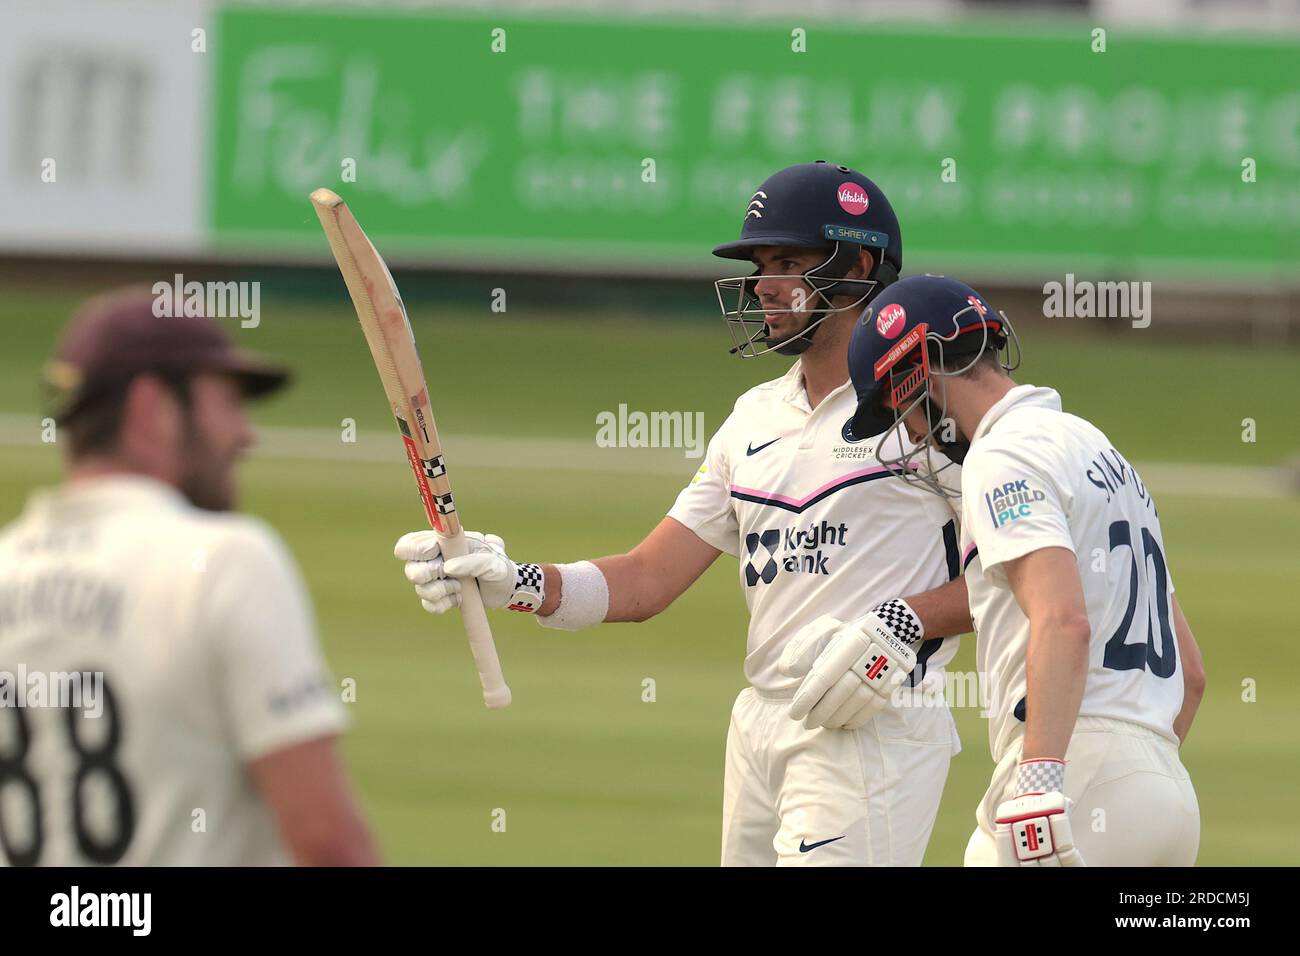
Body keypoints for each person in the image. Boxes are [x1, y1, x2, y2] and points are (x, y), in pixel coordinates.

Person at [396, 162, 973, 866]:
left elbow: (1028, 568)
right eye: (760, 265)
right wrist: (514, 581)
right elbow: (644, 580)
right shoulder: (752, 418)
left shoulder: (927, 409)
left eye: (787, 262)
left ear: (857, 265)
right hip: (761, 725)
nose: (763, 285)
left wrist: (907, 622)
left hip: (875, 725)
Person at [0, 288, 379, 866]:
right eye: (226, 403)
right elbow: (328, 843)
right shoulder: (227, 561)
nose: (245, 434)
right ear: (153, 406)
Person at [845, 273, 1205, 866]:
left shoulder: (1002, 451)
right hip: (1165, 789)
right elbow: (1191, 674)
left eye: (898, 408)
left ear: (917, 374)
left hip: (1071, 765)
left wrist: (1040, 783)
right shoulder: (1098, 448)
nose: (909, 433)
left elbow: (1063, 621)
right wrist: (1140, 781)